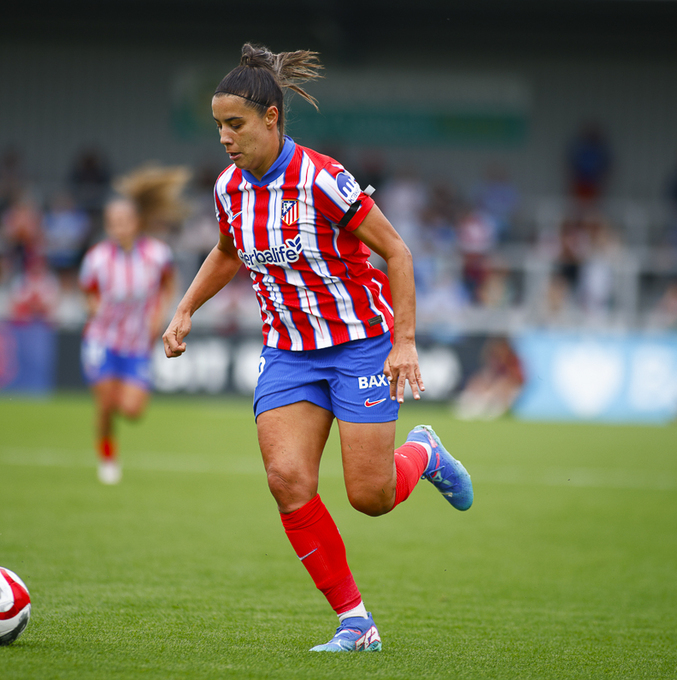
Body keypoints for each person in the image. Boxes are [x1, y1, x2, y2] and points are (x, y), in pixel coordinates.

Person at [161, 44, 473, 653]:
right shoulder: (229, 189)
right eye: (219, 126)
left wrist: (404, 342)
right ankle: (355, 623)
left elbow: (399, 253)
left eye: (236, 124)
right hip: (288, 351)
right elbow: (228, 251)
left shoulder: (323, 180)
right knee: (286, 478)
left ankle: (425, 454)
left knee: (370, 497)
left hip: (359, 346)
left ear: (272, 118)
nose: (225, 138)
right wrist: (185, 306)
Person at [80, 165, 186, 484]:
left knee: (132, 410)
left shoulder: (157, 255)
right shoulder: (97, 258)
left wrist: (160, 314)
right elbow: (88, 293)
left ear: (137, 223)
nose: (119, 228)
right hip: (102, 340)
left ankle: (112, 428)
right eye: (113, 223)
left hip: (138, 342)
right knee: (104, 403)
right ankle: (108, 458)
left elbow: (169, 283)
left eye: (124, 221)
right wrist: (97, 310)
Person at [454, 336, 525, 421]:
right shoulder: (495, 362)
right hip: (494, 393)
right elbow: (484, 377)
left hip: (509, 395)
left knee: (491, 399)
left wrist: (492, 391)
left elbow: (513, 383)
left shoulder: (513, 362)